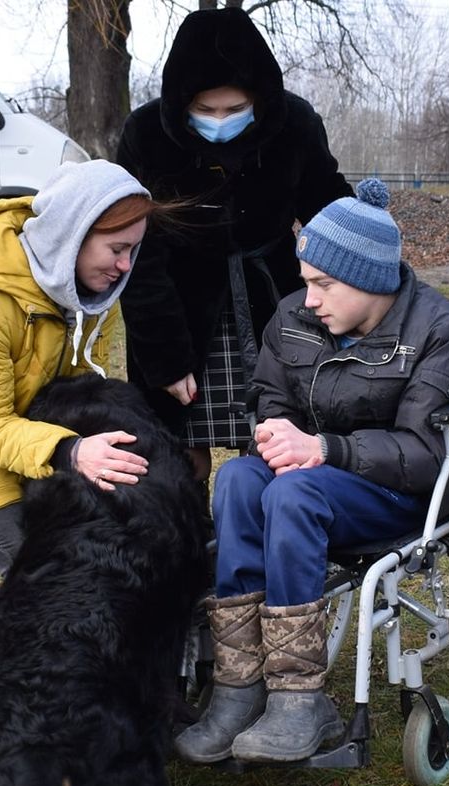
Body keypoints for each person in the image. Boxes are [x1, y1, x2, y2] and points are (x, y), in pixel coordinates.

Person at [174, 179, 449, 765]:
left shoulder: (438, 332)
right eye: (307, 281)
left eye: (323, 284)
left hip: (398, 492)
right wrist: (274, 432)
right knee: (239, 480)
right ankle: (241, 686)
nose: (308, 298)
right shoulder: (293, 318)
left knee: (294, 491)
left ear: (369, 280)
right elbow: (269, 394)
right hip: (313, 478)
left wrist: (325, 449)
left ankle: (300, 699)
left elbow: (425, 453)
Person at [0, 159, 166, 575]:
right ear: (72, 237)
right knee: (54, 575)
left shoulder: (92, 291)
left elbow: (80, 391)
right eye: (116, 249)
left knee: (106, 554)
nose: (126, 266)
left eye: (133, 250)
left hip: (29, 440)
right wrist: (71, 450)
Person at [116, 6, 352, 482]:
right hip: (179, 310)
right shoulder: (145, 136)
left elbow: (331, 213)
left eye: (234, 109)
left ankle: (258, 544)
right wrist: (164, 355)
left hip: (274, 304)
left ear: (260, 100)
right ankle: (191, 551)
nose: (219, 120)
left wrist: (367, 248)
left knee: (274, 445)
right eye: (204, 110)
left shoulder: (294, 126)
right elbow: (137, 255)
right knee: (179, 454)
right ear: (181, 102)